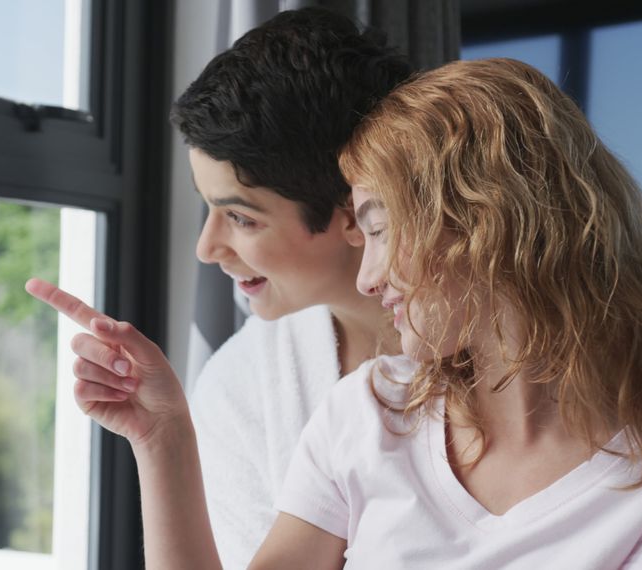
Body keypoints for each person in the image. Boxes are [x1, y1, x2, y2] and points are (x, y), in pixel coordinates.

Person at [28, 57, 642, 568]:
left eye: (380, 228)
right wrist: (163, 439)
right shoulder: (371, 415)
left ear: (489, 226)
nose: (372, 272)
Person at [167, 8, 411, 566]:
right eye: (210, 209)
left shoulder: (523, 362)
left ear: (355, 210)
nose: (208, 248)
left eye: (242, 218)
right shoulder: (243, 388)